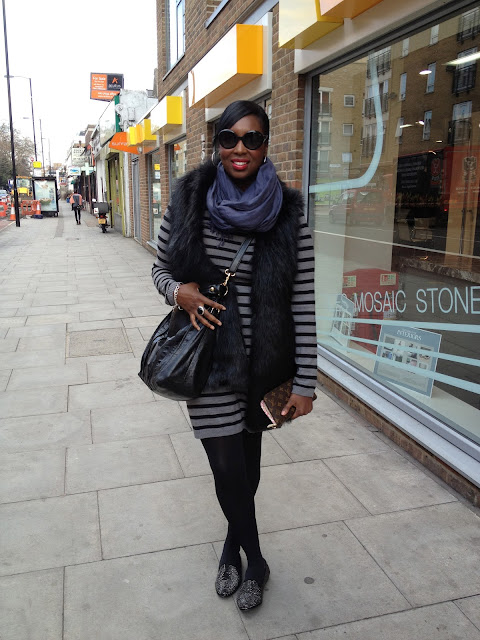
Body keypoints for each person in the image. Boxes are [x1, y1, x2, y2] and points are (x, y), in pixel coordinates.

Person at [152, 100, 317, 611]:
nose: (240, 148)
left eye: (252, 138)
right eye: (229, 138)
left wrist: (306, 383)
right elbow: (160, 268)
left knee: (248, 464)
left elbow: (303, 299)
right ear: (217, 143)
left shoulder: (289, 213)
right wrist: (178, 292)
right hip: (208, 361)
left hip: (266, 366)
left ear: (266, 145)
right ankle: (258, 561)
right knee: (226, 466)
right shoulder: (189, 200)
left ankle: (231, 548)